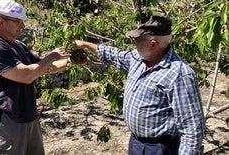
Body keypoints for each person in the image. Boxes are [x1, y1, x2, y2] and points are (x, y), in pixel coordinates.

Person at [75, 15, 205, 155]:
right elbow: (115, 55)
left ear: (153, 43)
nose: (134, 43)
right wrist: (86, 45)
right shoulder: (138, 58)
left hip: (159, 149)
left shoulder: (179, 74)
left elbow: (192, 129)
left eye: (137, 39)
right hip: (136, 143)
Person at [0, 0, 71, 155]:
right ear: (0, 21)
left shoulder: (17, 45)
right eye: (17, 22)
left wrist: (72, 60)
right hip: (9, 119)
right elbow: (27, 75)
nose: (22, 26)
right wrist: (52, 55)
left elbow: (44, 68)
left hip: (28, 115)